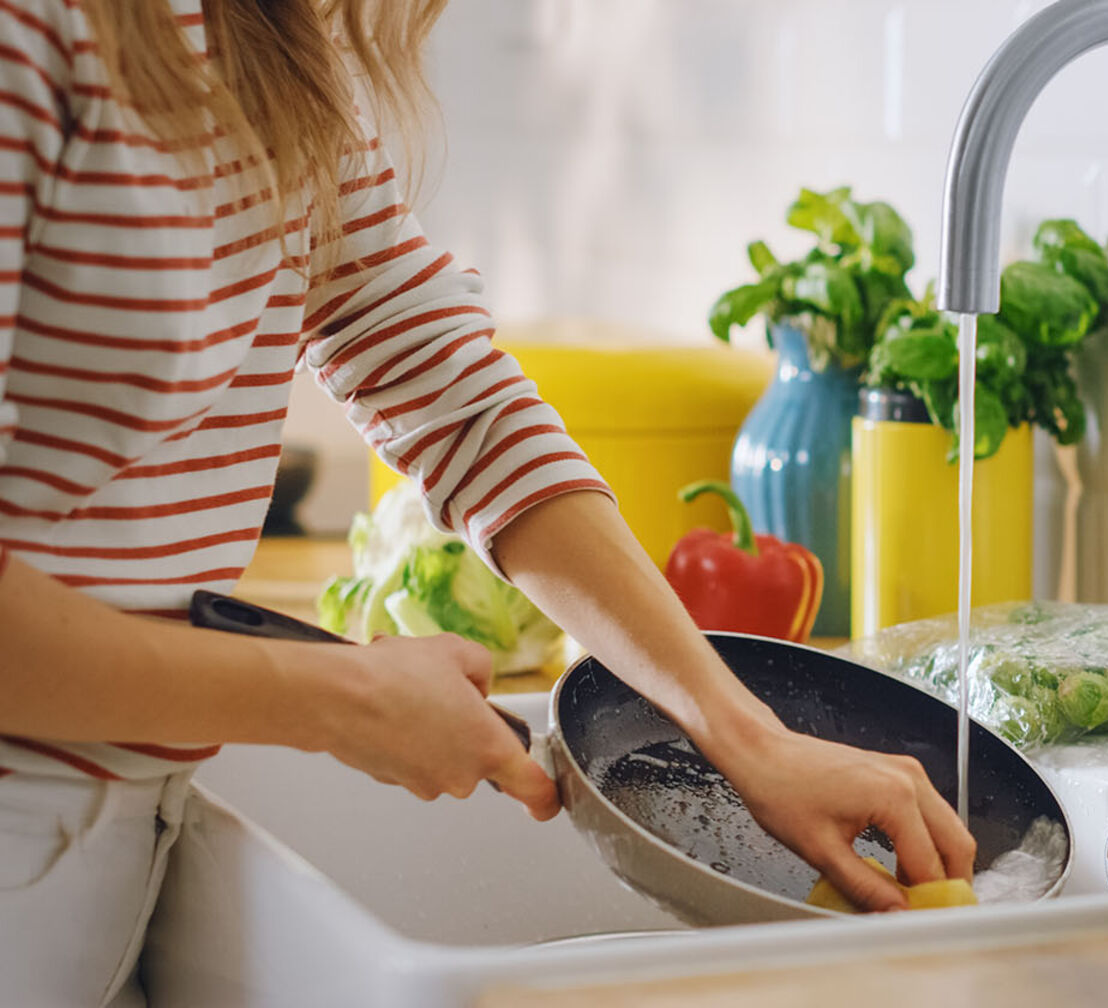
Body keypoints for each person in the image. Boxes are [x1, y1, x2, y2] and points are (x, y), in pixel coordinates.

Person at [0, 2, 975, 1004]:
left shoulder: (267, 34)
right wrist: (339, 700)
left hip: (107, 847)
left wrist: (747, 735)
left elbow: (453, 394)